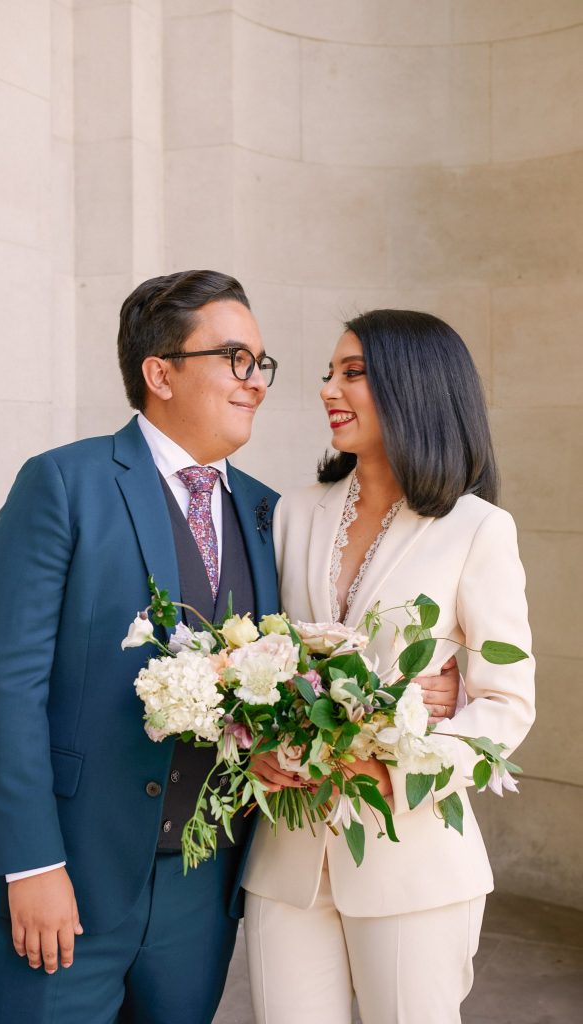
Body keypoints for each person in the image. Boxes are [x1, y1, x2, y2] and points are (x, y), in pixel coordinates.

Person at [0, 276, 459, 1024]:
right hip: (68, 873)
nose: (255, 382)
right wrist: (33, 864)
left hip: (202, 884)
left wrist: (419, 694)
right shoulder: (63, 482)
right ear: (160, 373)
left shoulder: (268, 512)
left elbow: (304, 659)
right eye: (233, 358)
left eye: (260, 362)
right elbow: (4, 688)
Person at [244, 309, 536, 1024]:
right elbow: (266, 660)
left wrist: (395, 768)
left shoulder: (476, 529)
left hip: (415, 863)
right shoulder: (292, 514)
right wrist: (256, 743)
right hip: (289, 859)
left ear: (413, 387)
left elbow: (508, 703)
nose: (327, 389)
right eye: (328, 373)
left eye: (353, 372)